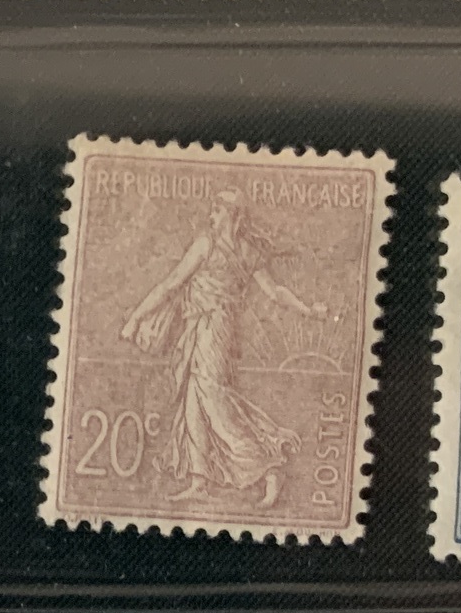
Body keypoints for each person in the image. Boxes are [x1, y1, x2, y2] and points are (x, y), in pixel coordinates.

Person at [118, 187, 330, 508]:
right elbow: (272, 292)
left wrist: (135, 318)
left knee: (214, 400)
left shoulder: (212, 245)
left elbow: (173, 283)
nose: (211, 216)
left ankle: (267, 467)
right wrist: (137, 316)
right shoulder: (234, 248)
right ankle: (200, 481)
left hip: (213, 330)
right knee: (194, 401)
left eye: (217, 210)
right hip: (208, 329)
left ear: (232, 214)